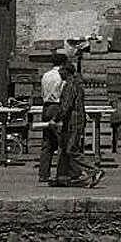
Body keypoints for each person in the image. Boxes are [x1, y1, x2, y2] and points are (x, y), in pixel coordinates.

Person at [52, 62, 104, 188]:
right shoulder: (76, 85)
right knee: (64, 148)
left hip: (73, 122)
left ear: (67, 72)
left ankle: (94, 169)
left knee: (71, 149)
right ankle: (67, 176)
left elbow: (66, 106)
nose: (59, 73)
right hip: (73, 122)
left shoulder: (70, 86)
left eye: (61, 70)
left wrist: (55, 119)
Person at [38, 51, 68, 183]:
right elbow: (63, 93)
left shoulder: (45, 75)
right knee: (62, 141)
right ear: (63, 64)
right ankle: (61, 173)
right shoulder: (61, 76)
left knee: (47, 142)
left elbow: (42, 92)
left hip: (46, 107)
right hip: (56, 106)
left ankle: (43, 173)